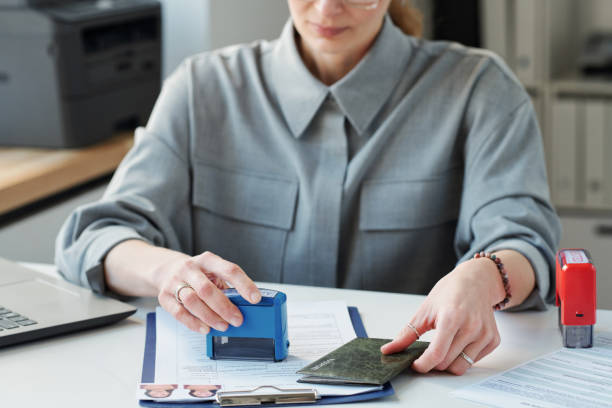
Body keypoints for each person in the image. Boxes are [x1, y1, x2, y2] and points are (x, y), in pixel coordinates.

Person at [55, 0, 560, 376]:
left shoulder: (478, 88)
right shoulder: (202, 88)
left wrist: (483, 277)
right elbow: (95, 237)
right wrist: (168, 271)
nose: (326, 7)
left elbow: (523, 240)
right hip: (233, 385)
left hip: (414, 386)